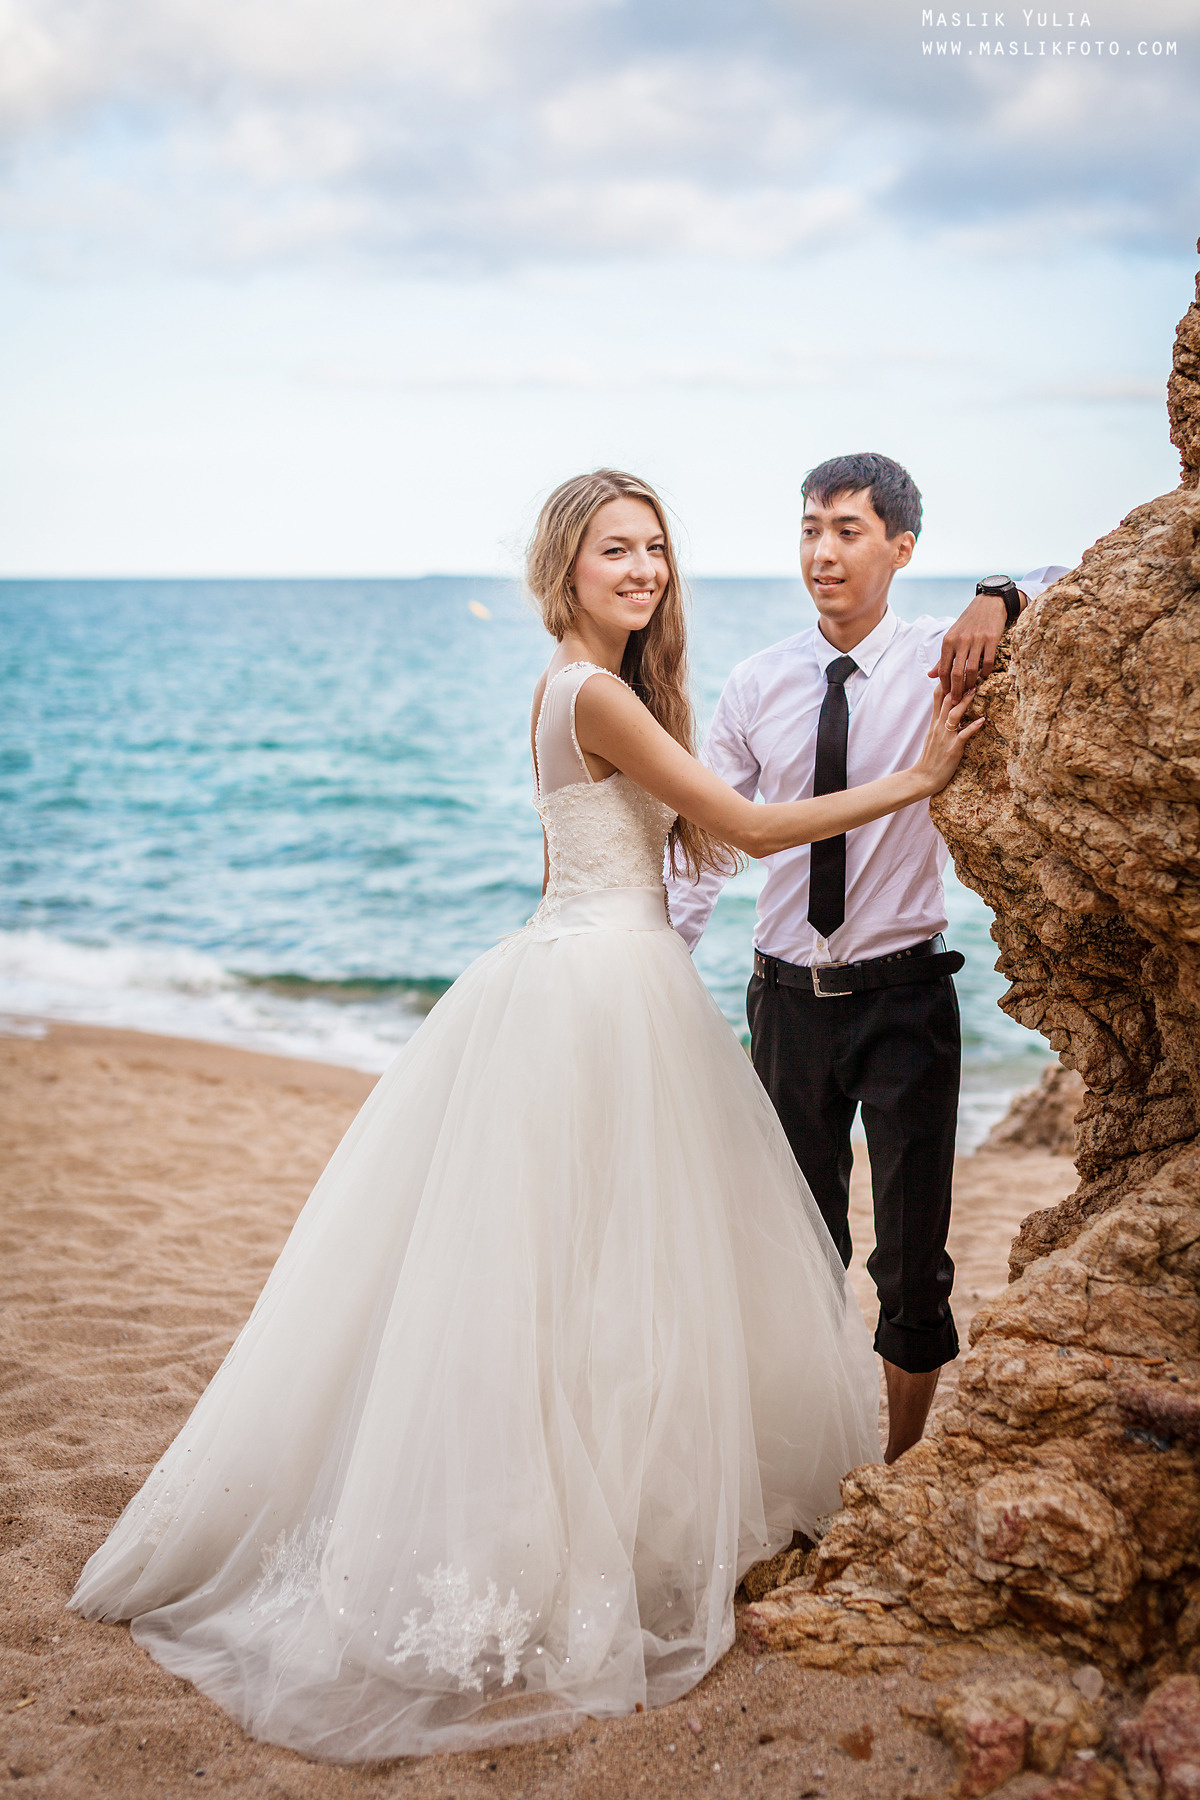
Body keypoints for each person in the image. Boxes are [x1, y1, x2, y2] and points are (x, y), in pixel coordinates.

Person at [69, 469, 981, 1762]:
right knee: (605, 1271)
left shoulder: (580, 691)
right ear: (568, 563)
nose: (645, 571)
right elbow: (750, 827)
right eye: (618, 550)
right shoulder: (593, 690)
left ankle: (610, 1513)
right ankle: (574, 1539)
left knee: (594, 1275)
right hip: (601, 991)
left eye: (657, 549)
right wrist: (919, 778)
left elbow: (592, 862)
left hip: (598, 972)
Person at [667, 450, 1069, 1465]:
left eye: (847, 530)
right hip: (784, 1006)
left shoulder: (947, 653)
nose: (823, 551)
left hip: (905, 1001)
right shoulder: (759, 683)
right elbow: (708, 846)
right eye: (810, 527)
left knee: (912, 1262)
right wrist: (658, 969)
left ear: (902, 547)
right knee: (799, 1249)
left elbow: (1087, 576)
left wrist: (1000, 595)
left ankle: (897, 1468)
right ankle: (807, 1456)